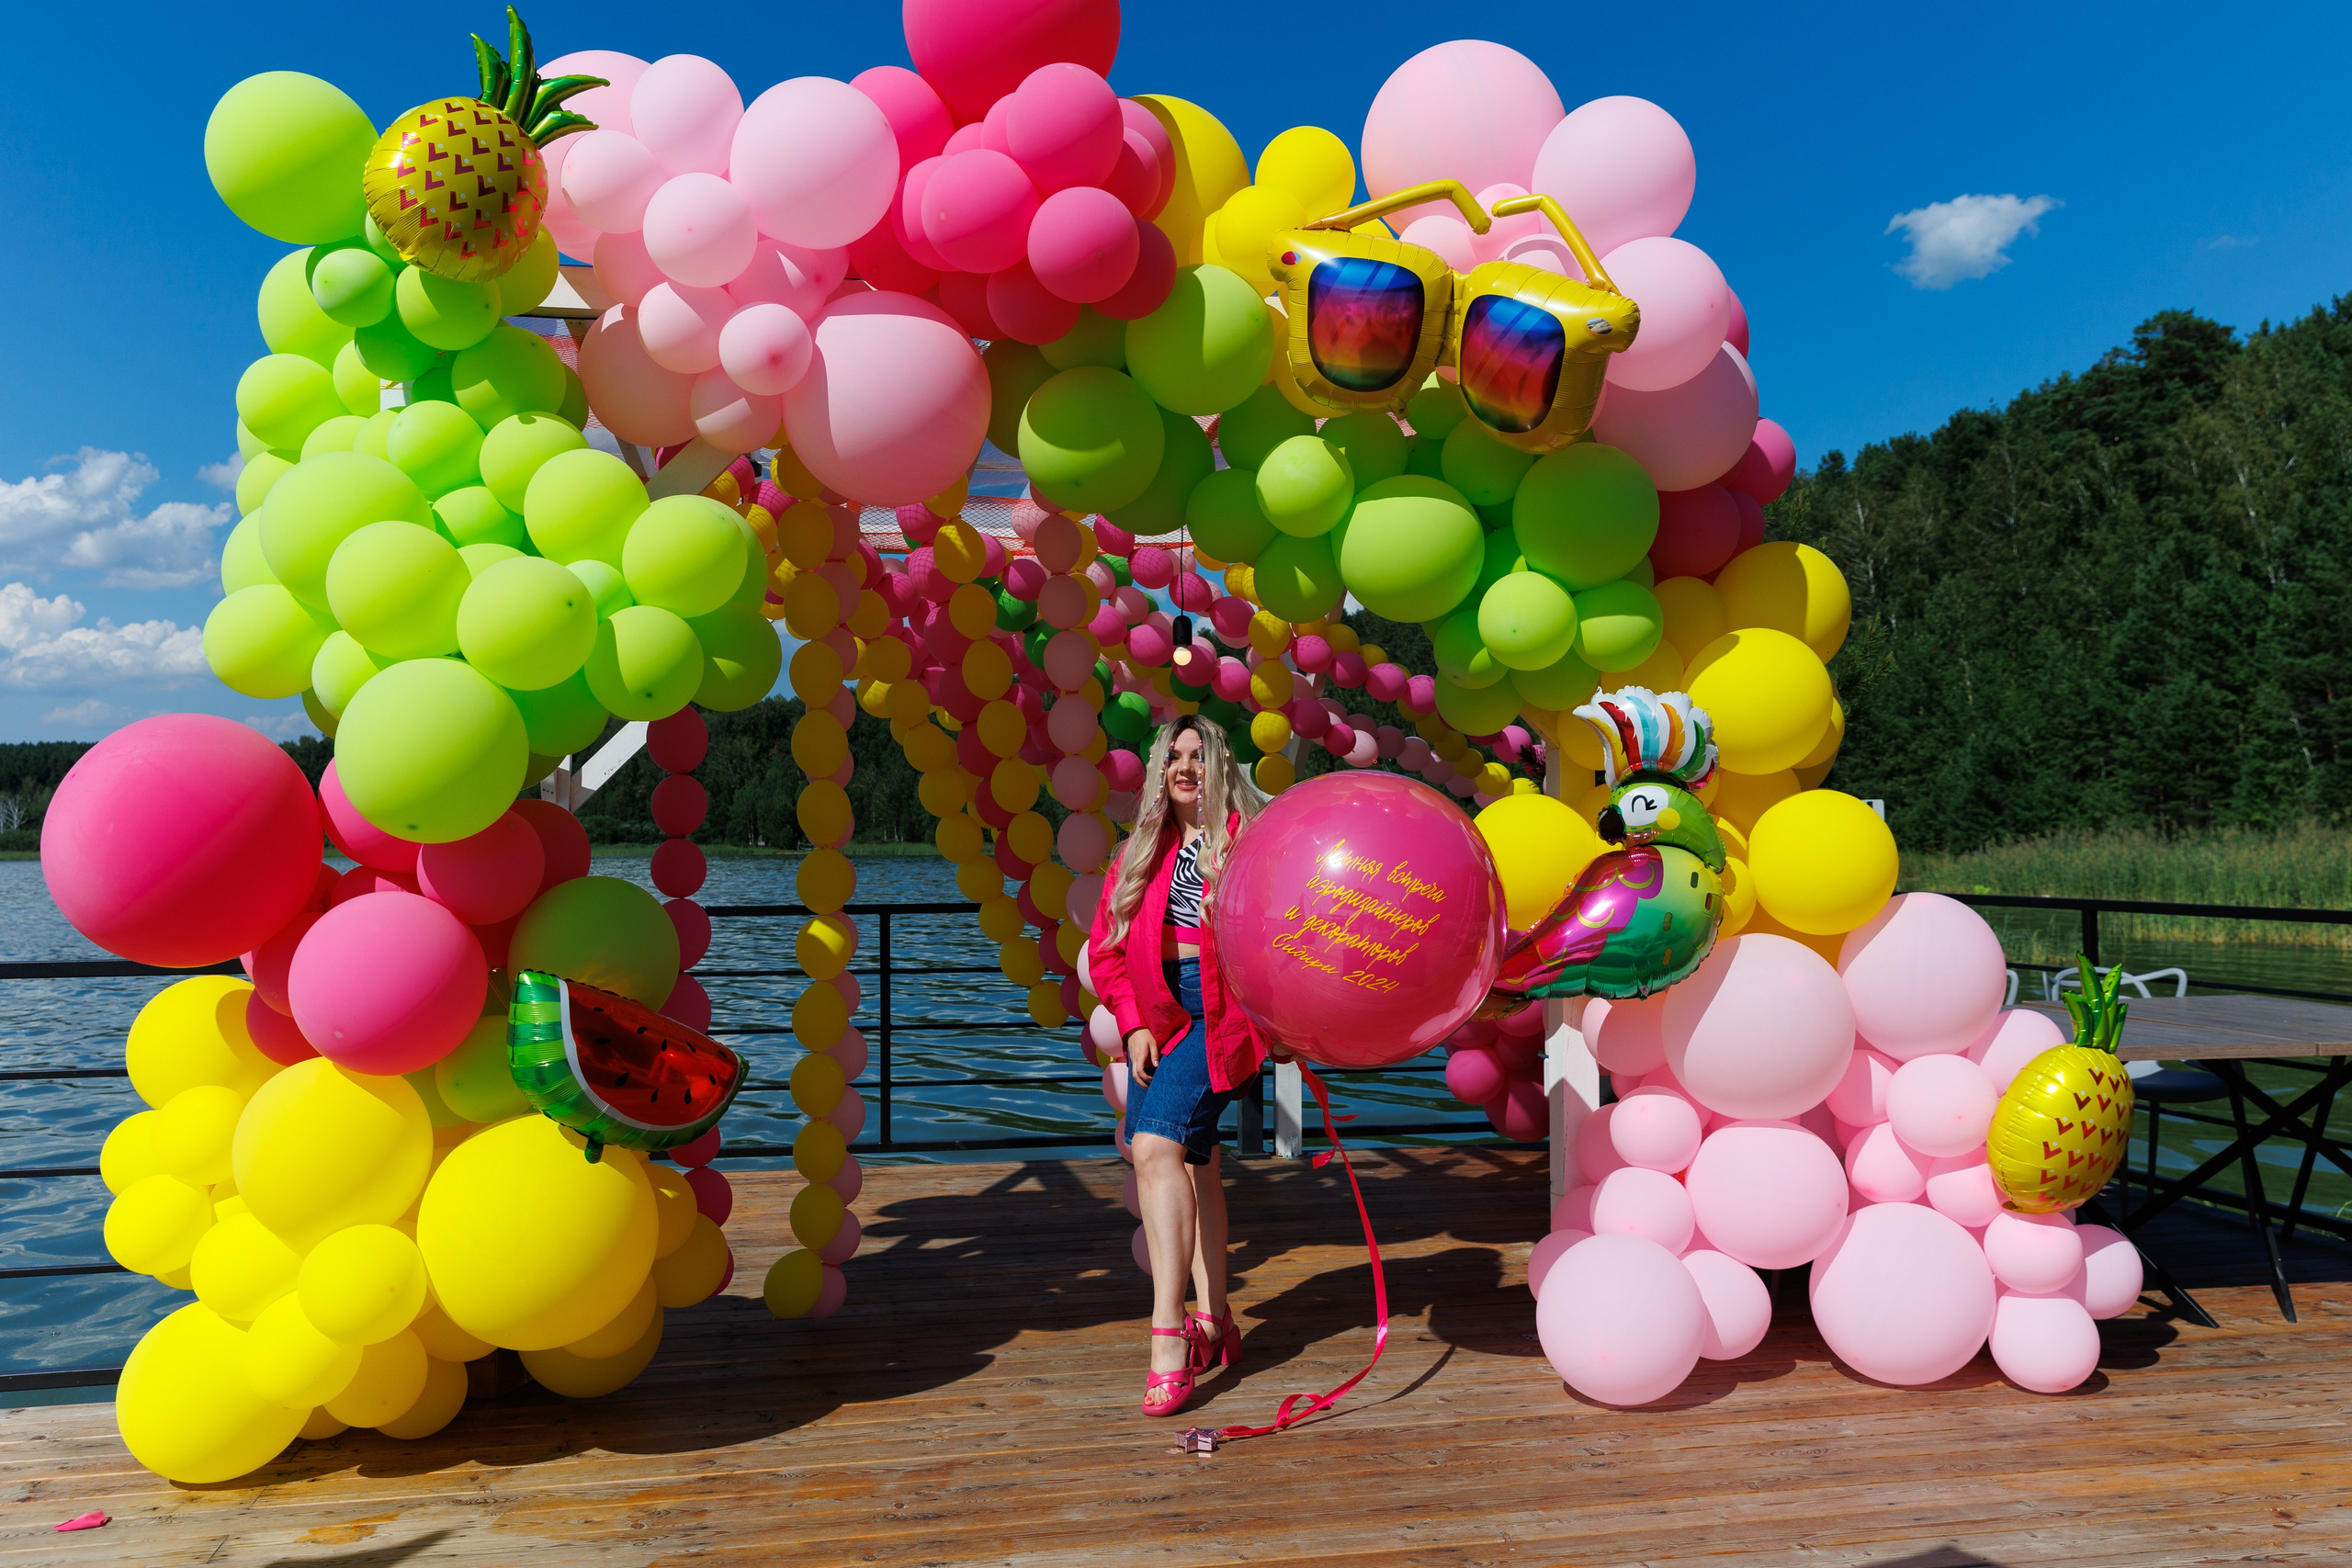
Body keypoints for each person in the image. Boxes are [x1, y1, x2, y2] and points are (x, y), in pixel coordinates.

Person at [1085, 715, 1277, 1417]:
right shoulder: (1142, 849)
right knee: (1194, 1159)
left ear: (1219, 764)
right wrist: (1132, 1022)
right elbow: (1105, 948)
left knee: (1155, 1146)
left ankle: (1170, 1339)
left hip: (1221, 1013)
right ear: (1160, 769)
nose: (1186, 766)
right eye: (1175, 756)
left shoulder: (1249, 841)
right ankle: (1216, 1318)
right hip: (1163, 1017)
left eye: (1198, 754)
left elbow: (1286, 929)